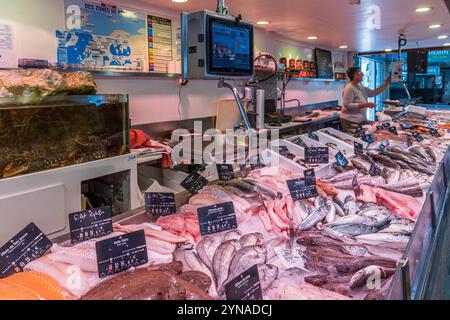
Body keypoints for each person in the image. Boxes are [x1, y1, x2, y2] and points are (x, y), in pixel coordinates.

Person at [341, 67, 391, 132]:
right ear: (354, 75)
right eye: (360, 73)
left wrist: (386, 84)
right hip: (351, 120)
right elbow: (347, 105)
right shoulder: (349, 88)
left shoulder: (361, 88)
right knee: (354, 138)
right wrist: (366, 105)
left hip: (360, 119)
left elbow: (373, 92)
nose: (363, 74)